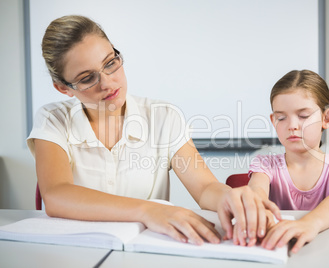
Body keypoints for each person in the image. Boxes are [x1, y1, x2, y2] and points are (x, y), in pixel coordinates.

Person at [27, 15, 274, 247]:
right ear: (63, 88)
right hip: (77, 253)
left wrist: (230, 197)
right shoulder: (53, 119)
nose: (107, 83)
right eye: (87, 78)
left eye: (110, 63)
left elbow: (205, 188)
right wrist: (149, 210)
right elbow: (57, 195)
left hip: (144, 253)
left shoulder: (163, 117)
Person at [247, 70, 329, 253]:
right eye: (281, 118)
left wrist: (309, 224)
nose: (292, 125)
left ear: (327, 118)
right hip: (279, 251)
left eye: (303, 116)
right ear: (273, 121)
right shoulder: (265, 164)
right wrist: (257, 209)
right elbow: (257, 190)